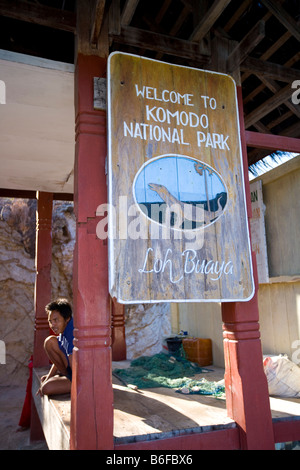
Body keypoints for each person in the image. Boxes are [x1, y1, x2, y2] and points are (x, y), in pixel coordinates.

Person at [37, 298, 74, 396]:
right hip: (71, 372)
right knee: (50, 342)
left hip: (82, 379)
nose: (52, 325)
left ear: (67, 318)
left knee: (46, 388)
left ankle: (68, 382)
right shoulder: (64, 331)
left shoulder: (72, 332)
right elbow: (59, 357)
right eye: (50, 321)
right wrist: (50, 377)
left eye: (56, 320)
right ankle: (63, 378)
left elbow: (74, 364)